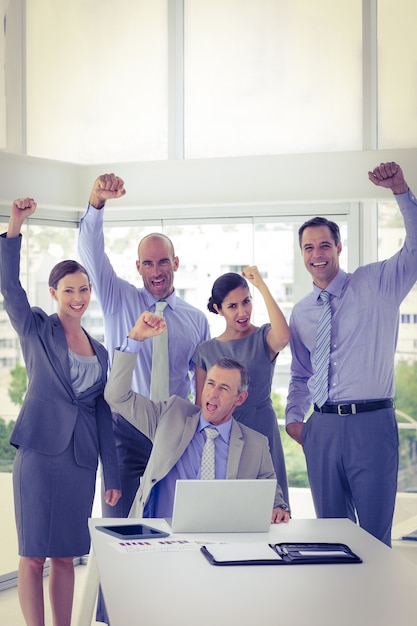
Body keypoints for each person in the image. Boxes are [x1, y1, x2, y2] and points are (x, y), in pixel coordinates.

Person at [0, 198, 121, 626]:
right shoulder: (36, 328)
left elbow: (104, 415)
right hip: (38, 454)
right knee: (33, 555)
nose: (77, 297)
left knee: (66, 556)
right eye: (68, 290)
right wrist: (15, 226)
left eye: (83, 289)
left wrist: (113, 474)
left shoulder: (102, 352)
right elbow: (10, 287)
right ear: (54, 293)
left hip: (80, 461)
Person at [285, 161, 417, 547]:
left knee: (374, 538)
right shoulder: (302, 312)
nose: (317, 254)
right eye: (308, 247)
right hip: (321, 428)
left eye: (324, 245)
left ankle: (377, 609)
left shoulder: (378, 283)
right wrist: (295, 420)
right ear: (302, 254)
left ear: (338, 247)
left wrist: (400, 192)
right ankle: (339, 608)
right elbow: (300, 373)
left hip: (371, 425)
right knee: (331, 537)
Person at [77, 173, 210, 519]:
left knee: (172, 522)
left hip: (173, 428)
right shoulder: (117, 298)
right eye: (148, 263)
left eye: (163, 261)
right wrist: (96, 203)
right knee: (119, 524)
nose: (156, 270)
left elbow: (201, 383)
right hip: (124, 426)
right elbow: (90, 253)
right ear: (138, 267)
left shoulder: (197, 320)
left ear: (175, 263)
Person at [104, 310, 291, 522]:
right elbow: (116, 396)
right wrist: (135, 338)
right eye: (210, 383)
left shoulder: (255, 444)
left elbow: (271, 491)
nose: (212, 393)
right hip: (161, 537)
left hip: (221, 541)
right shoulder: (170, 415)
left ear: (239, 399)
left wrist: (278, 507)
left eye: (224, 388)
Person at [192, 267, 290, 505]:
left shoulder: (264, 337)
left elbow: (284, 337)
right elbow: (200, 405)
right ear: (218, 309)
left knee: (269, 505)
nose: (243, 312)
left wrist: (262, 286)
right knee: (225, 508)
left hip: (261, 427)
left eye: (246, 302)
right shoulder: (205, 351)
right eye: (232, 306)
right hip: (220, 434)